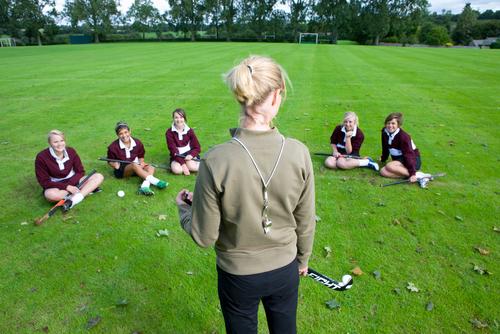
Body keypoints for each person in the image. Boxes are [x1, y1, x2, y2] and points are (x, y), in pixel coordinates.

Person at [175, 56, 316, 334]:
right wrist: (303, 260)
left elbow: (204, 236)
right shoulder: (299, 152)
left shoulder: (216, 160)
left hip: (239, 276)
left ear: (241, 97)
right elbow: (306, 220)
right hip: (285, 268)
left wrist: (184, 209)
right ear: (277, 96)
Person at [35, 130, 104, 210]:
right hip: (56, 185)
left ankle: (74, 200)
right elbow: (44, 182)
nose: (60, 144)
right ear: (50, 143)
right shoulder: (41, 157)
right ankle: (86, 191)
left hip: (75, 180)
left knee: (99, 176)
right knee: (50, 195)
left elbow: (80, 171)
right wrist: (67, 187)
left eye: (62, 140)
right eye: (55, 142)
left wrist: (72, 185)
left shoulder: (71, 151)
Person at [107, 121, 167, 195]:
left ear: (130, 131)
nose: (124, 135)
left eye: (126, 132)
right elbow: (110, 160)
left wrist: (141, 162)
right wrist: (114, 164)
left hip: (137, 166)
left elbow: (141, 156)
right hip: (123, 170)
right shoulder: (113, 147)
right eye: (121, 133)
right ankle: (156, 182)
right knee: (133, 165)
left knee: (151, 167)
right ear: (117, 135)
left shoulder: (137, 142)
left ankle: (144, 187)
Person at [380, 113, 432, 187]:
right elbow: (385, 146)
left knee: (389, 166)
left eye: (393, 123)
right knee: (383, 172)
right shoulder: (384, 132)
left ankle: (417, 175)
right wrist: (383, 158)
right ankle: (417, 177)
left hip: (412, 160)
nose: (390, 126)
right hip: (399, 160)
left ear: (398, 125)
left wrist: (412, 173)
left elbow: (409, 155)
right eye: (388, 123)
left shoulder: (404, 137)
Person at [165, 108, 201, 175]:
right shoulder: (169, 132)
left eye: (181, 117)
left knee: (193, 168)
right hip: (177, 156)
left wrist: (191, 155)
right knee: (177, 170)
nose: (179, 120)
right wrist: (183, 164)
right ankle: (185, 165)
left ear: (184, 118)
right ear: (173, 118)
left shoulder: (189, 131)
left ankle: (195, 164)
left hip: (189, 154)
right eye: (176, 117)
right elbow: (173, 151)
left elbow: (197, 147)